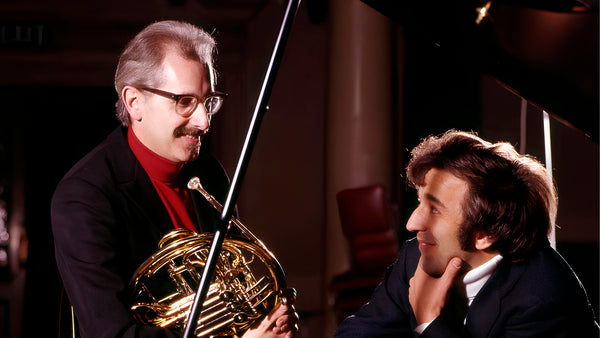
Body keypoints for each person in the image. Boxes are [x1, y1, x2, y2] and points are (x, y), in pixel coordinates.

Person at [51, 20, 298, 338]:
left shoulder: (208, 173)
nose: (203, 121)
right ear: (134, 102)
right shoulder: (85, 196)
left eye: (207, 101)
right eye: (184, 102)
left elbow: (242, 288)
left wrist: (272, 317)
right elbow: (112, 334)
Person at [334, 130, 599, 337]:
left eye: (435, 210)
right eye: (419, 201)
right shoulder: (416, 255)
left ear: (485, 233)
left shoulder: (543, 295)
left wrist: (428, 322)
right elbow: (362, 330)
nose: (412, 223)